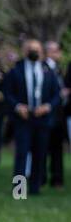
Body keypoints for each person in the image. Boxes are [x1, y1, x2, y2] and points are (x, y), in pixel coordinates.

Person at [3, 39, 62, 196]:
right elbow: (8, 93)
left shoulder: (48, 71)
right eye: (30, 48)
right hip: (23, 119)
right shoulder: (16, 71)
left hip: (42, 119)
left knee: (40, 154)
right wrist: (18, 106)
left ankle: (35, 188)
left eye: (37, 49)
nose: (34, 51)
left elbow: (57, 94)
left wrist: (47, 106)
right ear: (24, 50)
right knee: (21, 154)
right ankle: (19, 190)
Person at [43, 40, 67, 188]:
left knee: (57, 149)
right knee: (43, 148)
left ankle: (57, 179)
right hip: (46, 114)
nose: (59, 53)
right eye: (56, 50)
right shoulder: (43, 68)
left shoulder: (59, 69)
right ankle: (40, 178)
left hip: (59, 115)